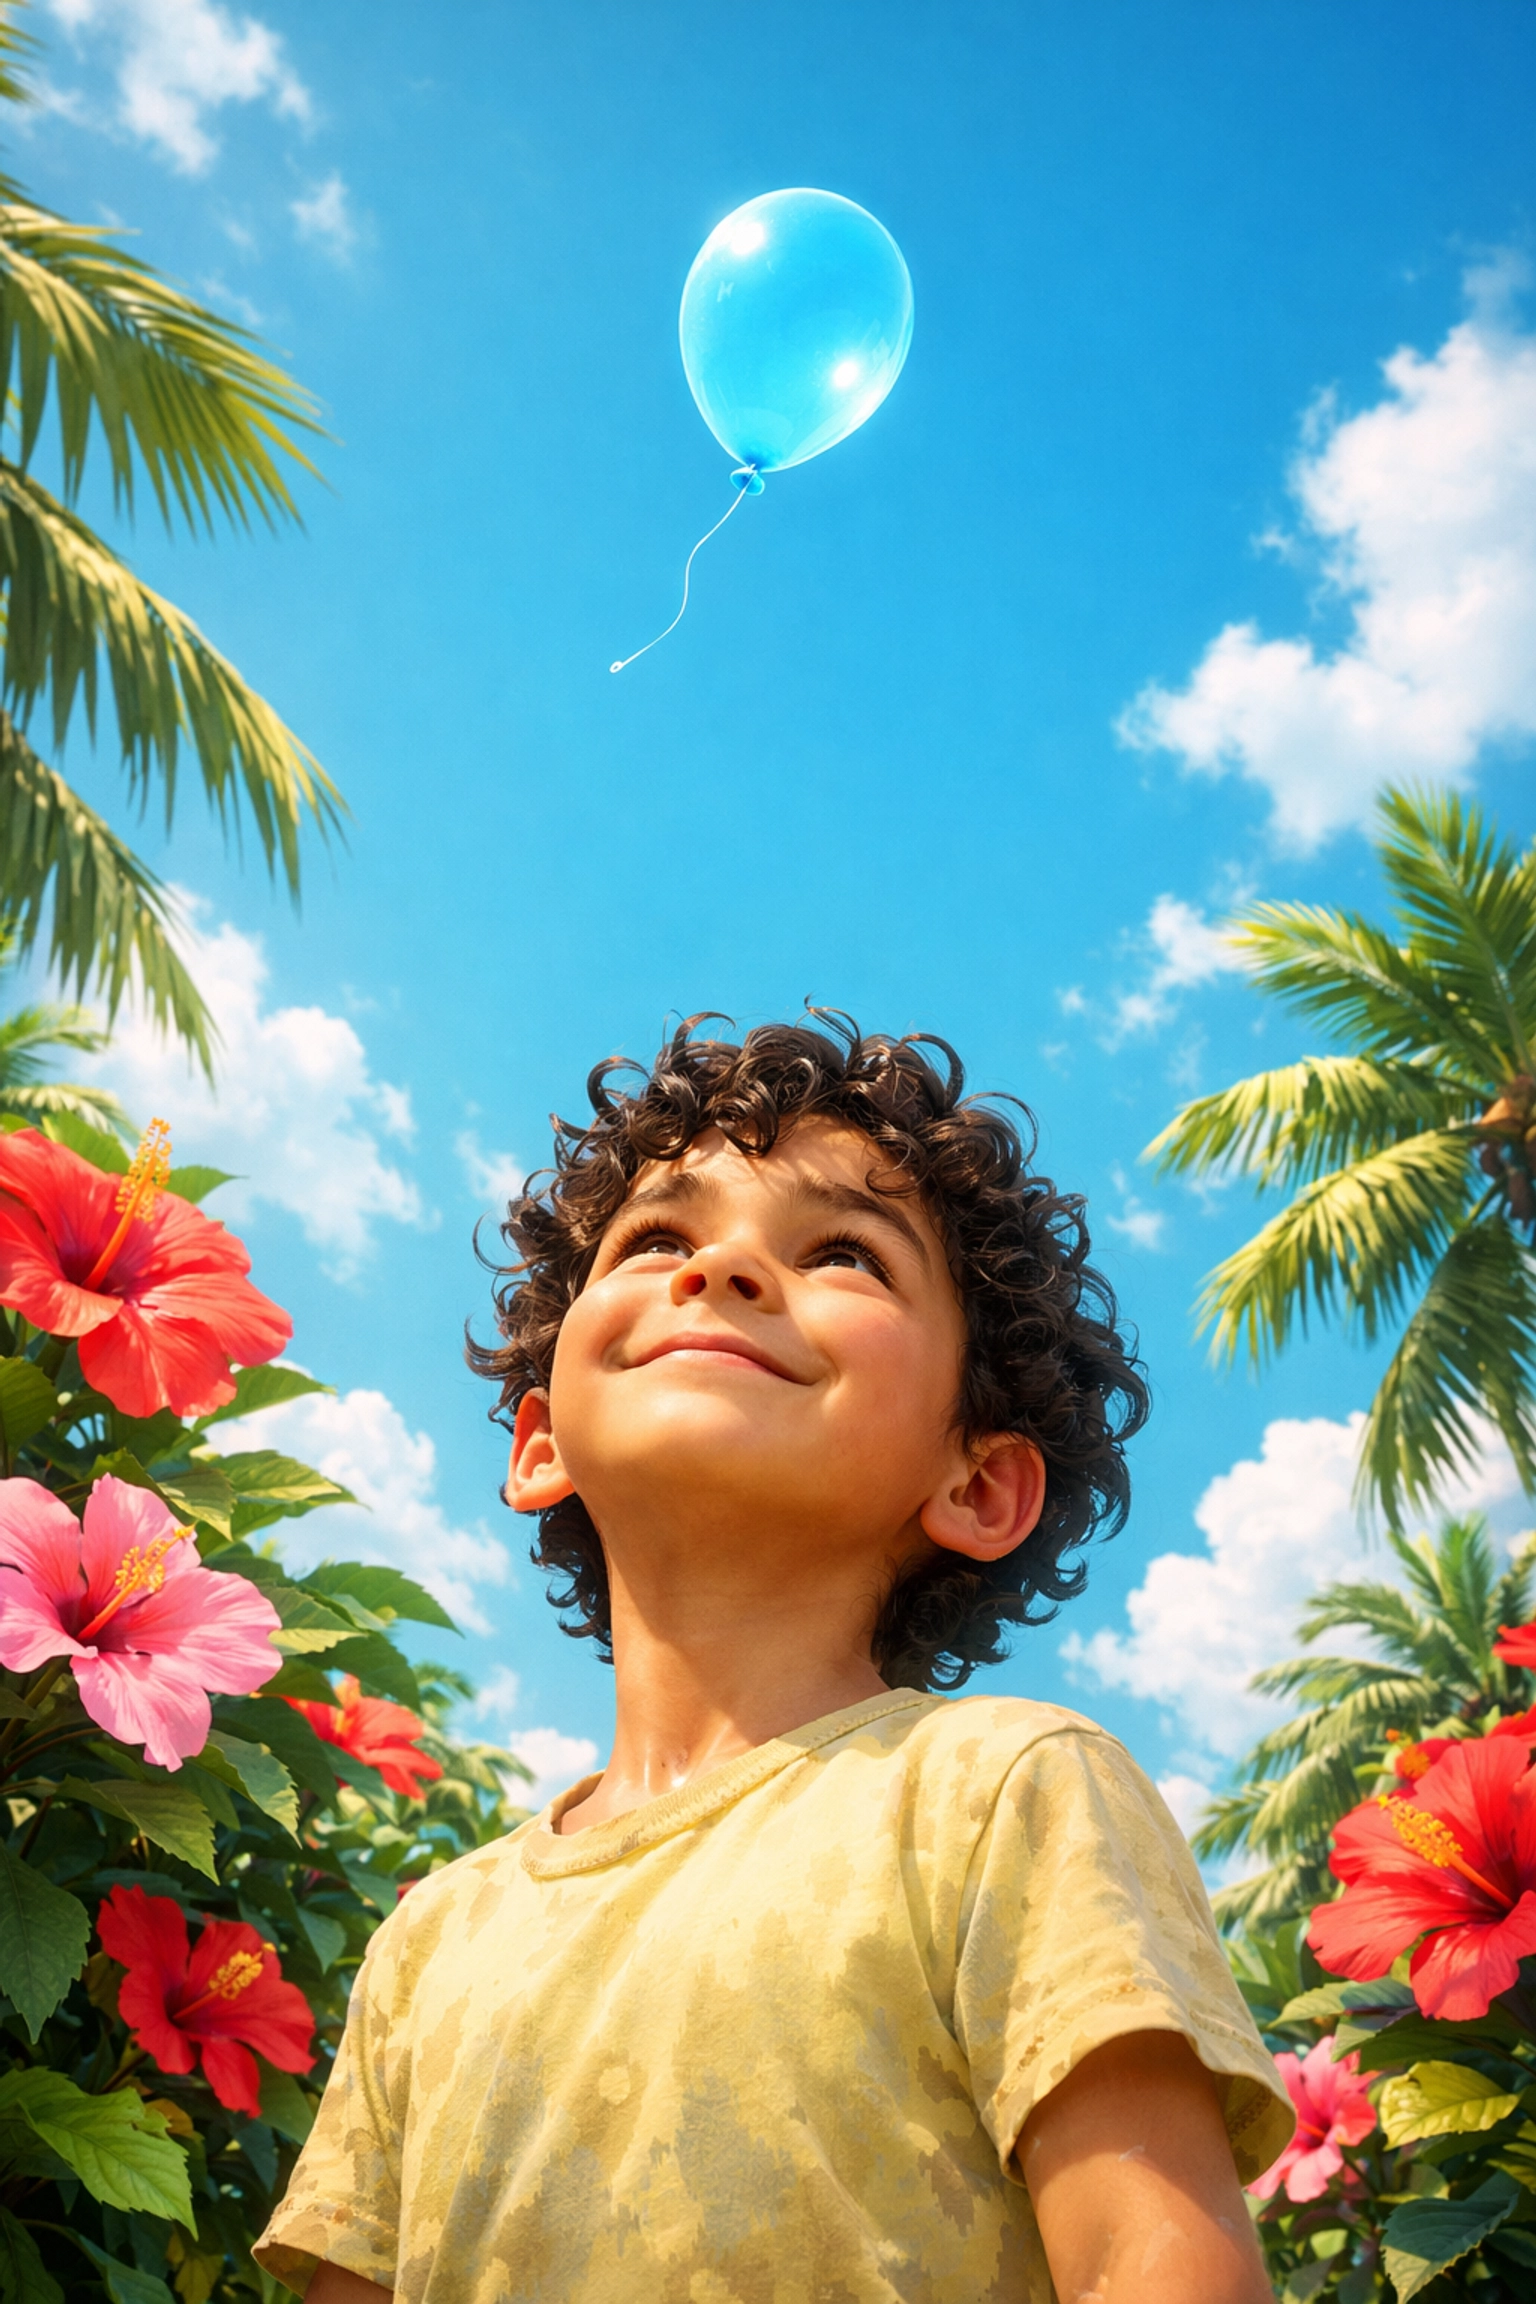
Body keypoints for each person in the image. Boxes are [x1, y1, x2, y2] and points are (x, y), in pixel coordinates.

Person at [256, 1017, 1291, 2304]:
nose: (726, 1267)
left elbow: (1156, 2263)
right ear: (540, 1448)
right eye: (658, 1242)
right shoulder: (430, 1941)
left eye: (847, 1252)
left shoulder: (1001, 1793)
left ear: (978, 1482)